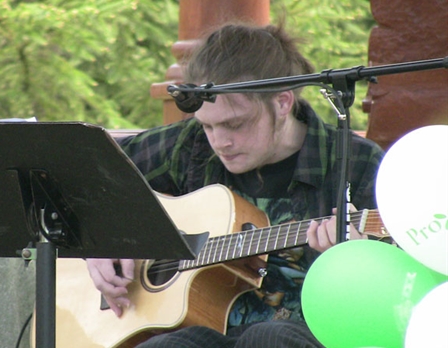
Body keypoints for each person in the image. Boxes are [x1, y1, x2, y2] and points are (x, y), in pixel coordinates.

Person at [86, 20, 385, 348]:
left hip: (307, 334)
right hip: (200, 330)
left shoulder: (353, 162)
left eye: (235, 124)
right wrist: (101, 243)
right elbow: (83, 176)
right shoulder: (191, 144)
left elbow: (390, 290)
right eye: (208, 126)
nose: (220, 142)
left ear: (283, 103)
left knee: (269, 339)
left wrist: (355, 260)